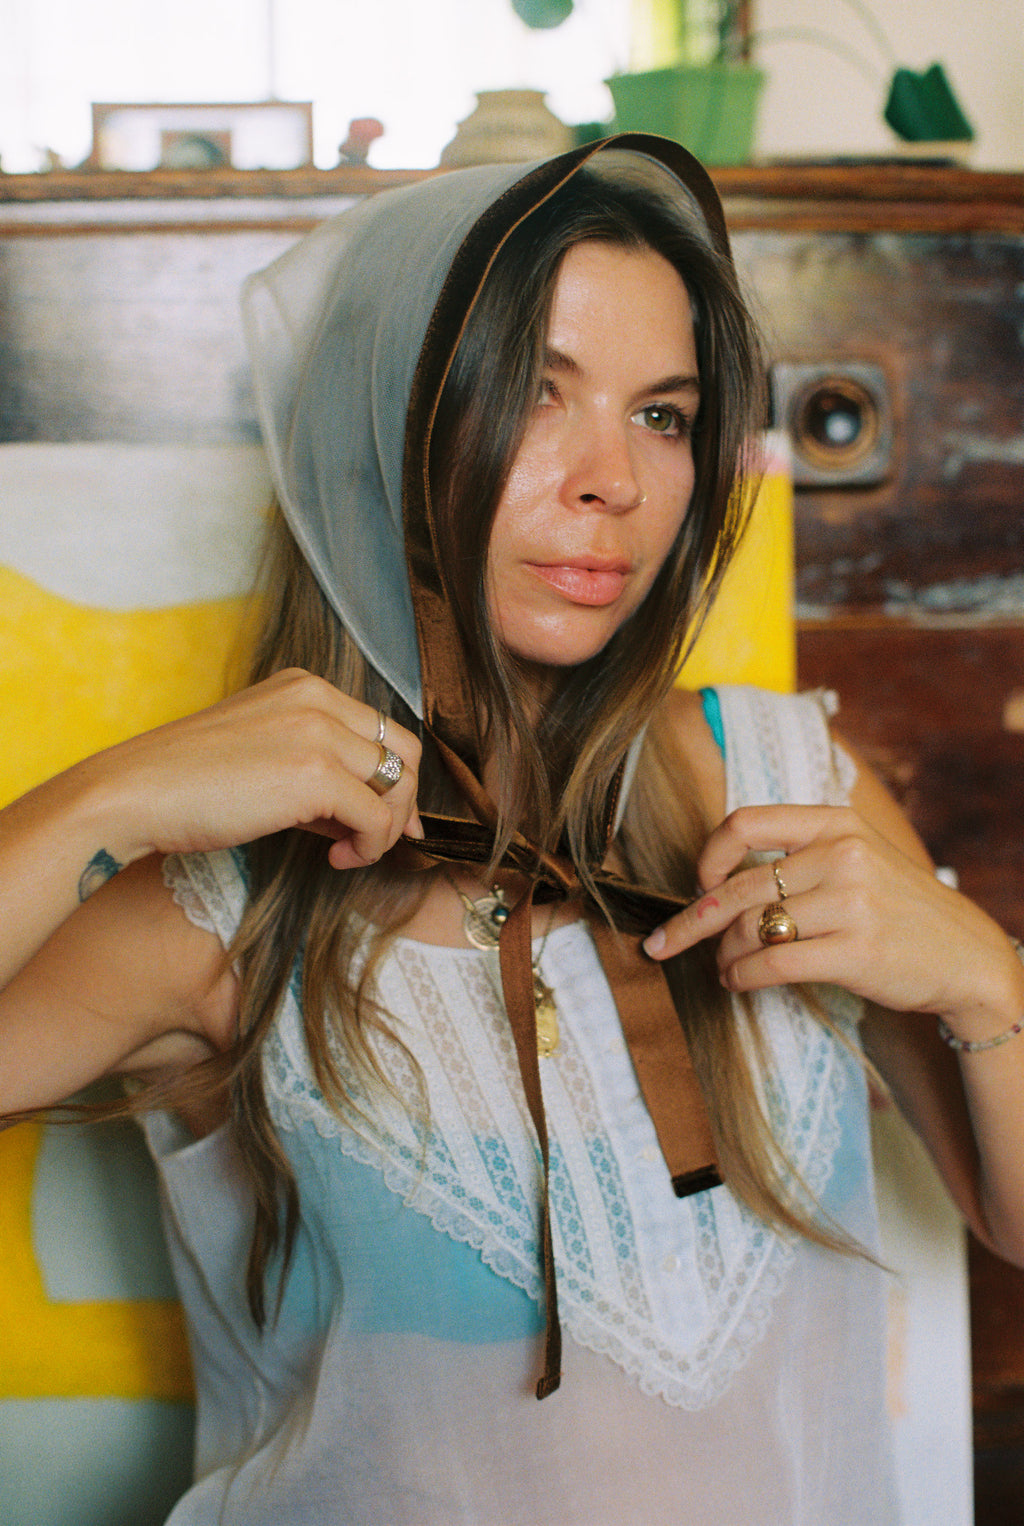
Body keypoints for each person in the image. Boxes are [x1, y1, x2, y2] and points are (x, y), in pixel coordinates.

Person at [1, 135, 1022, 1525]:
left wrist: (983, 972)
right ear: (394, 423)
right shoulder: (231, 902)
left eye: (662, 415)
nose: (612, 478)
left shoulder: (787, 779)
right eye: (541, 397)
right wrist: (114, 796)